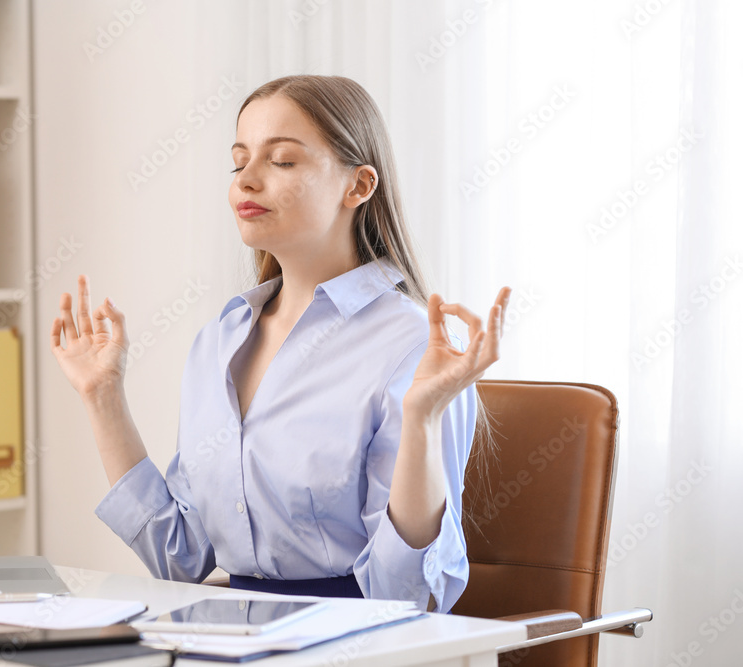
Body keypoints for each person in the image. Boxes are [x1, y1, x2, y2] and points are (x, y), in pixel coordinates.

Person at [50, 74, 510, 613]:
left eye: (282, 161)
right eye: (239, 161)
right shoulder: (219, 341)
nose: (247, 181)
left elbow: (411, 596)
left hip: (358, 642)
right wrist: (103, 396)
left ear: (358, 186)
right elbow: (180, 560)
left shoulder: (412, 344)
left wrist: (424, 419)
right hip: (232, 636)